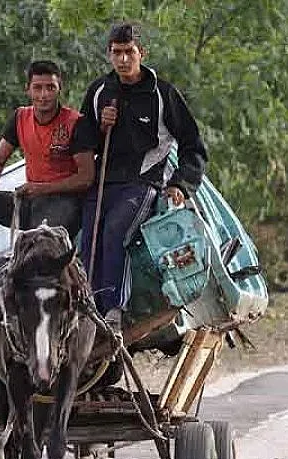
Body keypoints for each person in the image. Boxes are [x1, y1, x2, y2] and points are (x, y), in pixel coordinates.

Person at [74, 22, 208, 329]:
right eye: (117, 53)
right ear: (109, 55)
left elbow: (193, 145)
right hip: (103, 181)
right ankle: (87, 310)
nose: (123, 60)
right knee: (88, 241)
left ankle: (113, 311)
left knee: (114, 233)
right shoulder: (98, 92)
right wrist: (100, 126)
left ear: (141, 53)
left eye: (129, 52)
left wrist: (181, 185)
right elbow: (83, 143)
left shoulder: (163, 94)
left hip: (143, 183)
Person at [0, 60, 95, 290]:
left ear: (60, 88)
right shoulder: (20, 117)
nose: (44, 95)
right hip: (30, 200)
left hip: (64, 203)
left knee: (39, 245)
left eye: (50, 88)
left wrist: (41, 188)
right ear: (28, 89)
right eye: (38, 88)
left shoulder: (75, 123)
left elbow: (86, 177)